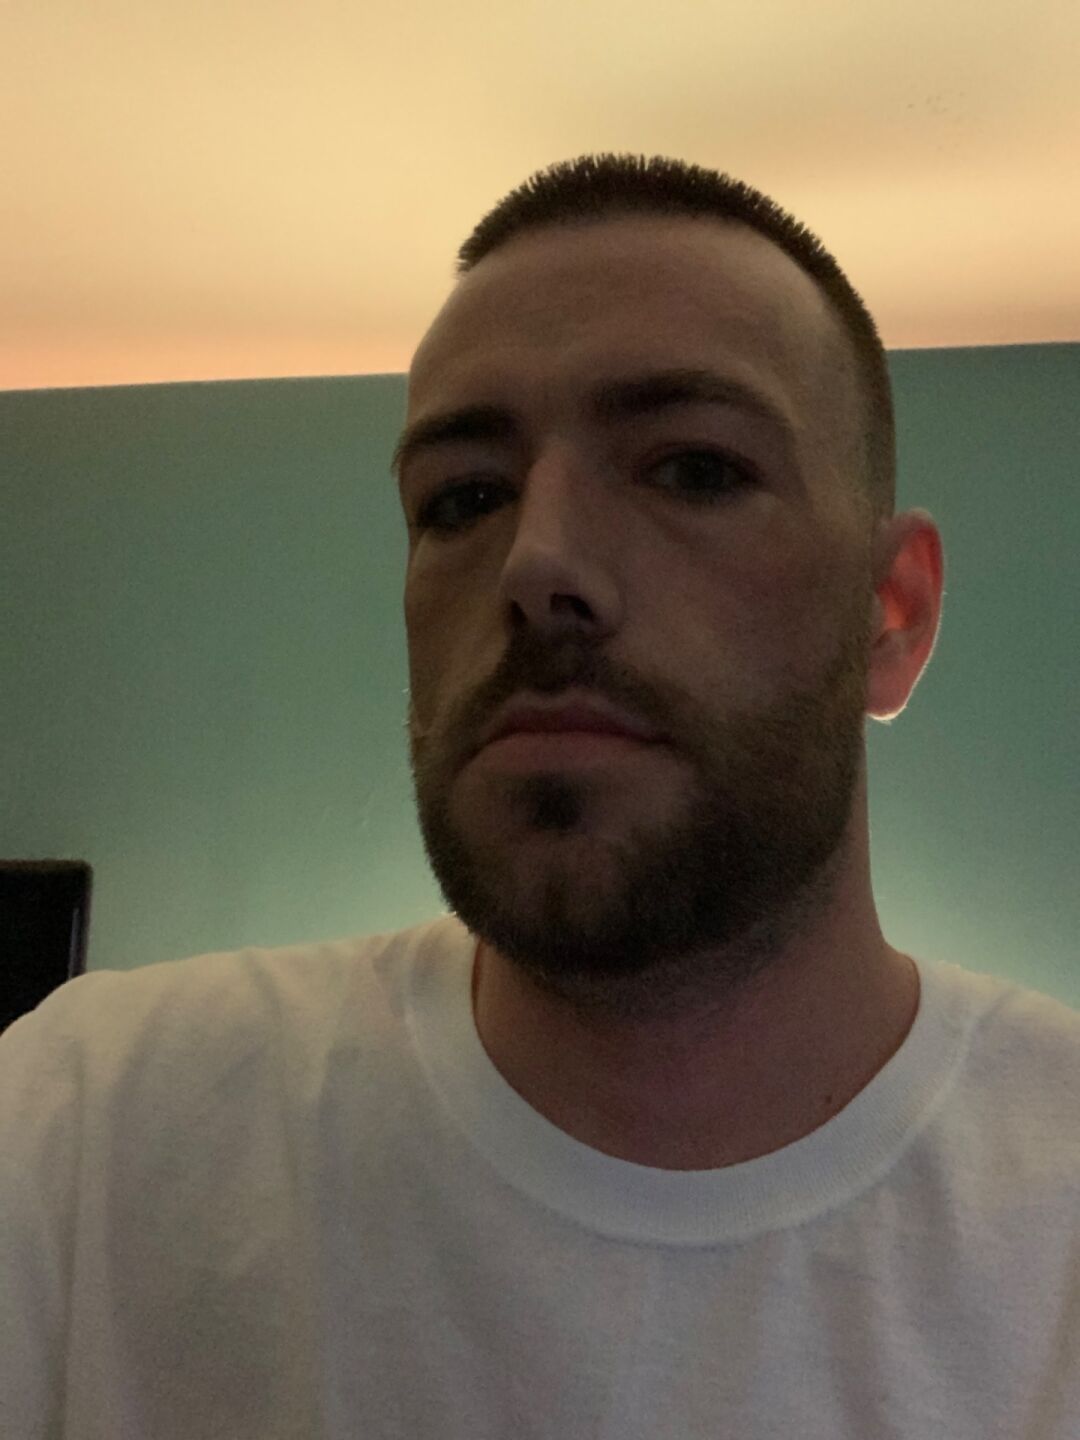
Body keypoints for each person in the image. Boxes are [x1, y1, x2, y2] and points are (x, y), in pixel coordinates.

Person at [2, 152, 1077, 1438]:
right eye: (463, 498)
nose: (538, 560)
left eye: (694, 469)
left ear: (890, 615)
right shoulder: (82, 1133)